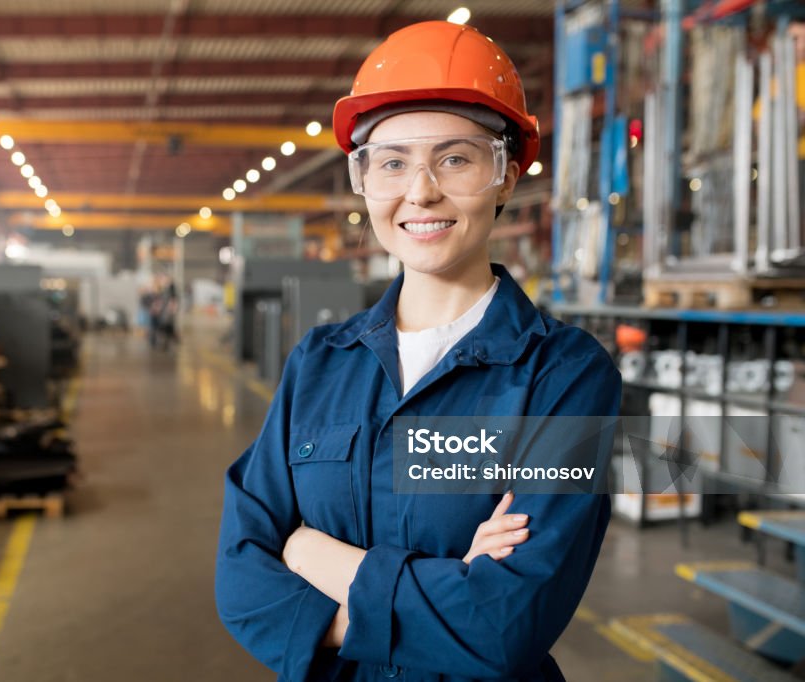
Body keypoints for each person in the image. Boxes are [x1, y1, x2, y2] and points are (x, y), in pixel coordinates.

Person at [216, 21, 621, 682]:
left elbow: (506, 626)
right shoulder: (318, 363)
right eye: (393, 161)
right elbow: (241, 581)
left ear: (506, 174)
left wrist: (312, 553)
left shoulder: (566, 376)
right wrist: (452, 581)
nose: (421, 191)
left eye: (455, 157)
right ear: (365, 179)